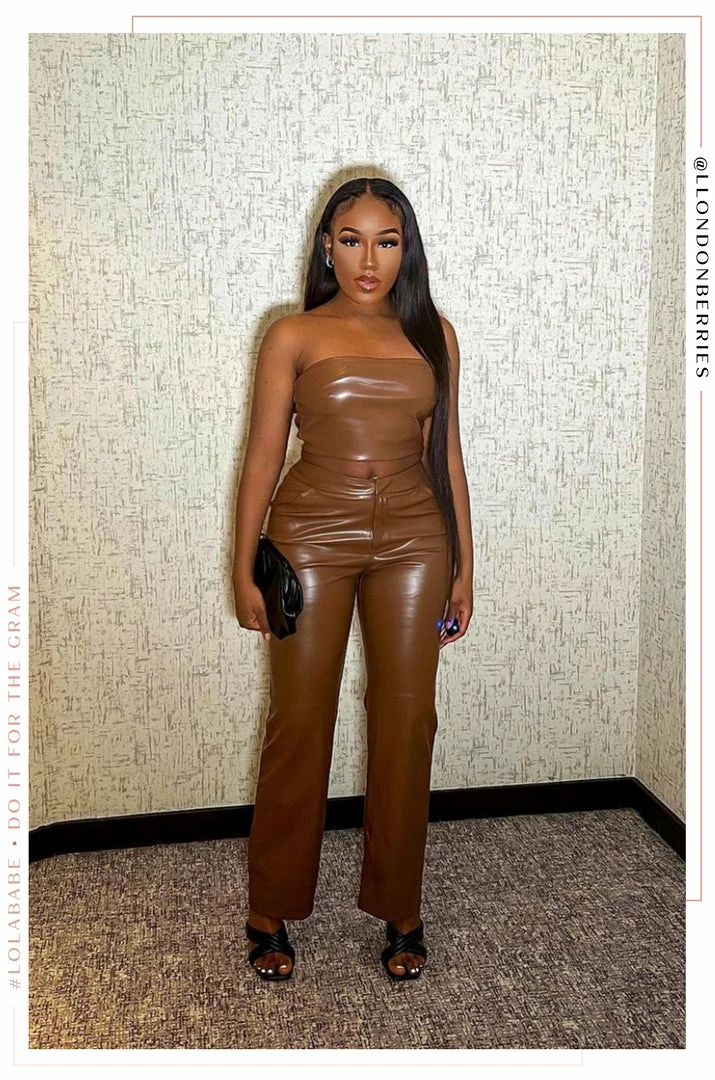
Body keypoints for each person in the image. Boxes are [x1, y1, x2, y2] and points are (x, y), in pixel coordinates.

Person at [232, 177, 473, 982]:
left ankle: (400, 905)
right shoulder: (292, 335)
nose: (368, 260)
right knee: (300, 719)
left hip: (414, 538)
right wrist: (243, 566)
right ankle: (270, 905)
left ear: (407, 249)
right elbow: (262, 456)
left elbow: (446, 457)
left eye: (386, 241)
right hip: (310, 534)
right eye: (350, 239)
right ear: (326, 247)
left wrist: (463, 566)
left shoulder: (433, 334)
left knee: (407, 718)